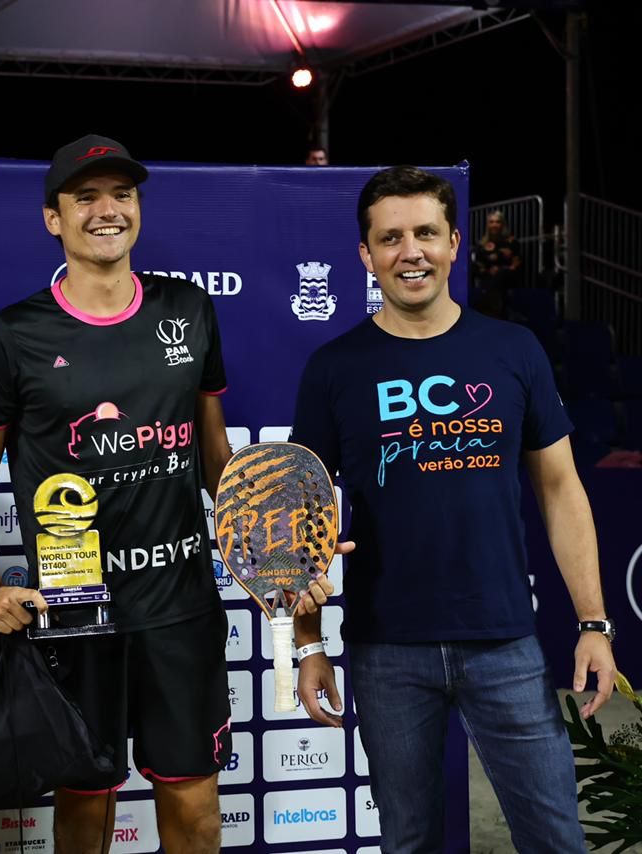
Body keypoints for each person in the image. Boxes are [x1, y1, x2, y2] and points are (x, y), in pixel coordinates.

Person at [0, 134, 332, 854]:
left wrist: (280, 552)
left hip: (179, 610)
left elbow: (216, 460)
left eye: (122, 195)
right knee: (83, 816)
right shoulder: (14, 335)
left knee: (194, 814)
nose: (108, 211)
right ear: (53, 218)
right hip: (74, 615)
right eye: (86, 197)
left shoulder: (187, 309)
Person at [292, 165, 617, 853]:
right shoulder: (333, 368)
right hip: (385, 651)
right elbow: (304, 521)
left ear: (455, 243)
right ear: (366, 256)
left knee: (556, 839)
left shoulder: (512, 350)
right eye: (391, 238)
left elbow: (561, 489)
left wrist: (594, 621)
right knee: (407, 842)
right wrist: (308, 643)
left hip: (503, 642)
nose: (410, 251)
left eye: (425, 234)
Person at [471, 208, 522, 316]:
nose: (494, 225)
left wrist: (501, 269)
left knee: (499, 277)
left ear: (502, 224)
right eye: (491, 222)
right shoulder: (482, 244)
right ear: (488, 225)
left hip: (505, 278)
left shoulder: (511, 242)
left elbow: (516, 265)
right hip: (487, 278)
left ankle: (493, 312)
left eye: (497, 222)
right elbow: (478, 264)